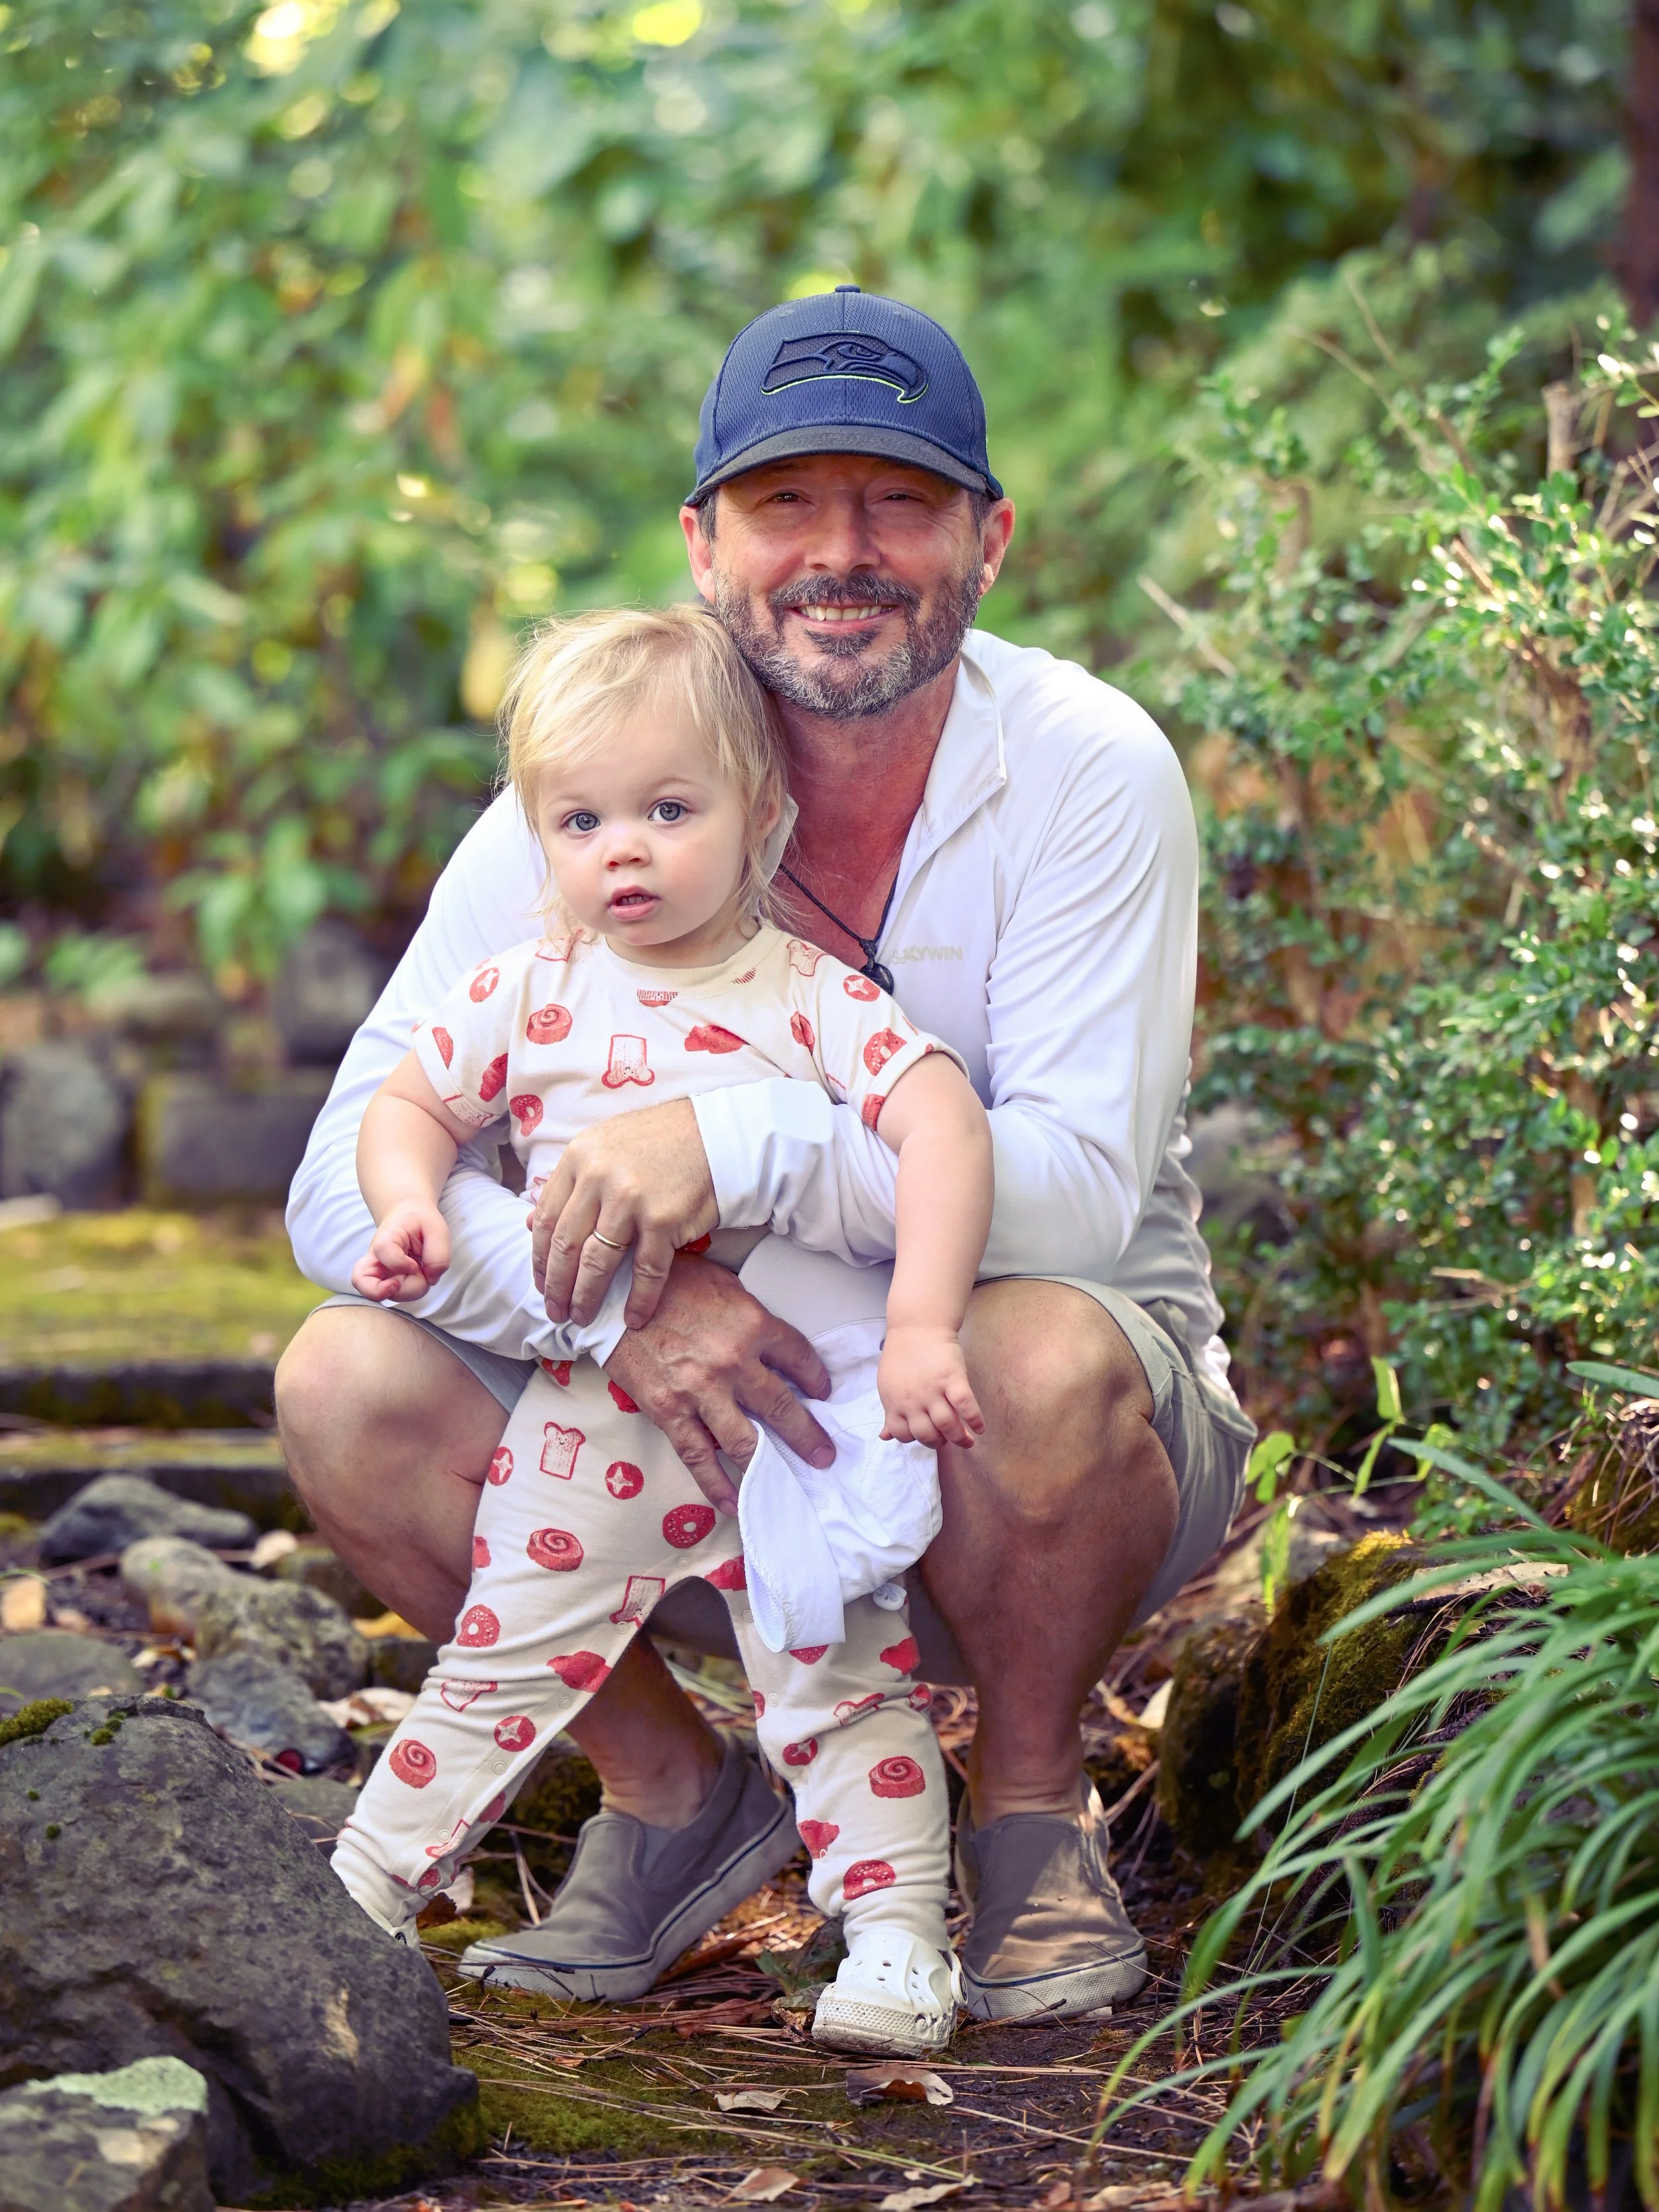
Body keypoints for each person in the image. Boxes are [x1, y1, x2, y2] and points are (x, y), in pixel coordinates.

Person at [282, 285, 1256, 2023]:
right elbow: (339, 1177)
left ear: (988, 539)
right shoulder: (592, 791)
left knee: (1034, 1342)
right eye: (784, 501)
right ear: (703, 542)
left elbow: (1076, 1197)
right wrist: (621, 1306)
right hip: (658, 1444)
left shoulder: (1085, 768)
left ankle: (1027, 1811)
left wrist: (739, 1151)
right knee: (344, 1379)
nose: (840, 551)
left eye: (897, 501)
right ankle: (677, 1801)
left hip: (1011, 1448)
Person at [328, 603, 991, 2058]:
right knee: (498, 1657)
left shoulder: (807, 996)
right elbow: (409, 1105)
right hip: (598, 1413)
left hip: (790, 1408)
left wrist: (921, 1325)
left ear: (761, 816)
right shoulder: (529, 986)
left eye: (667, 811)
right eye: (581, 820)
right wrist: (412, 1206)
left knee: (835, 1671)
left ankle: (897, 1938)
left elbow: (942, 1122)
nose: (621, 850)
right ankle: (357, 1896)